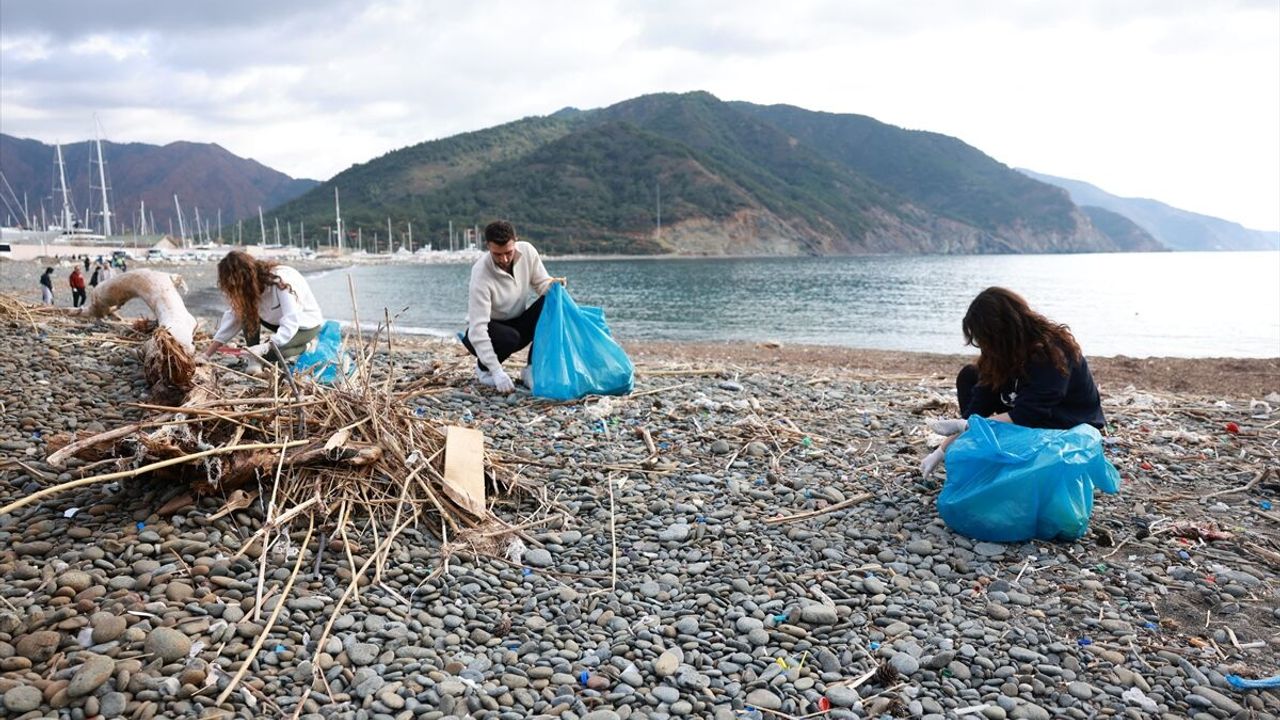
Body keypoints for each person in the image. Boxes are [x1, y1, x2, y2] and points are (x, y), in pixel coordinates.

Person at [922, 287, 1105, 478]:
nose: (984, 346)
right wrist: (941, 451)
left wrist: (967, 426)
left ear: (1002, 332)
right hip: (1027, 418)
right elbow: (977, 409)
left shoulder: (1052, 353)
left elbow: (1028, 414)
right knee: (970, 375)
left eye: (985, 339)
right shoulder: (1000, 354)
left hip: (1066, 426)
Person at [461, 220, 565, 393]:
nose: (504, 259)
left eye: (508, 252)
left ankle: (531, 368)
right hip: (490, 332)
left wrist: (555, 287)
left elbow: (542, 285)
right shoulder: (480, 273)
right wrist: (497, 371)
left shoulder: (528, 251)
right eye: (497, 254)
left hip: (517, 323)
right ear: (488, 247)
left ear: (516, 241)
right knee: (510, 337)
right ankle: (483, 369)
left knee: (551, 302)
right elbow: (477, 329)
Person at [202, 250, 324, 367]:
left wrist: (266, 347)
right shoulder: (249, 289)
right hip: (276, 323)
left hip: (304, 326)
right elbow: (233, 319)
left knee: (273, 354)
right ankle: (253, 356)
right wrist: (206, 355)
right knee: (245, 311)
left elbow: (291, 321)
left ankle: (307, 346)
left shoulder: (281, 282)